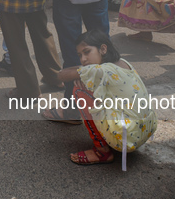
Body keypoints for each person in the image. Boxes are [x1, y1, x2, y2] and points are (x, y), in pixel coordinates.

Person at [57, 29, 157, 164]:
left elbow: (62, 75)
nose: (83, 59)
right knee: (89, 84)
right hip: (145, 130)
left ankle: (101, 151)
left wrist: (83, 72)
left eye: (87, 52)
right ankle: (111, 137)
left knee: (79, 90)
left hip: (126, 139)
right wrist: (84, 72)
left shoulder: (101, 70)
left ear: (103, 49)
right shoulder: (123, 62)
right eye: (80, 55)